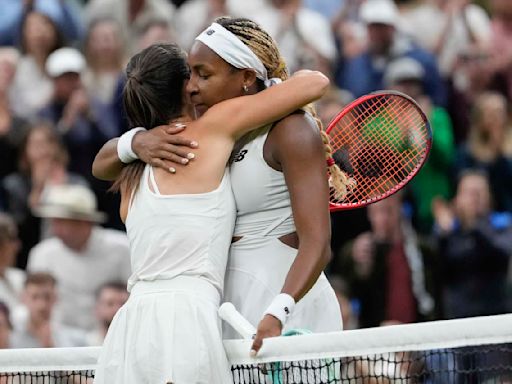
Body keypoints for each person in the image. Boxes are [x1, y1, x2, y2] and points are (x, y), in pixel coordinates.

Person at [92, 17, 347, 353]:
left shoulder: (291, 131)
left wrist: (280, 309)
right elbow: (101, 164)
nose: (191, 86)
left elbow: (318, 243)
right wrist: (136, 141)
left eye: (204, 74)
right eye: (190, 74)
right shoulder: (208, 134)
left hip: (286, 306)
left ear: (245, 77)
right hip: (226, 308)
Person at [27, 184, 131, 331]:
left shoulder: (121, 249)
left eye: (62, 222)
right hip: (59, 342)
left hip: (111, 335)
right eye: (54, 222)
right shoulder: (42, 254)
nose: (55, 230)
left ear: (84, 222)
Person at [11, 272, 87, 348]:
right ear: (23, 298)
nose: (41, 305)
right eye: (34, 297)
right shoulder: (10, 340)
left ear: (56, 298)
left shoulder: (76, 340)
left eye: (47, 297)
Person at [86, 281, 128, 346]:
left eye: (123, 304)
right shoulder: (85, 345)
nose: (117, 309)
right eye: (110, 304)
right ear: (97, 309)